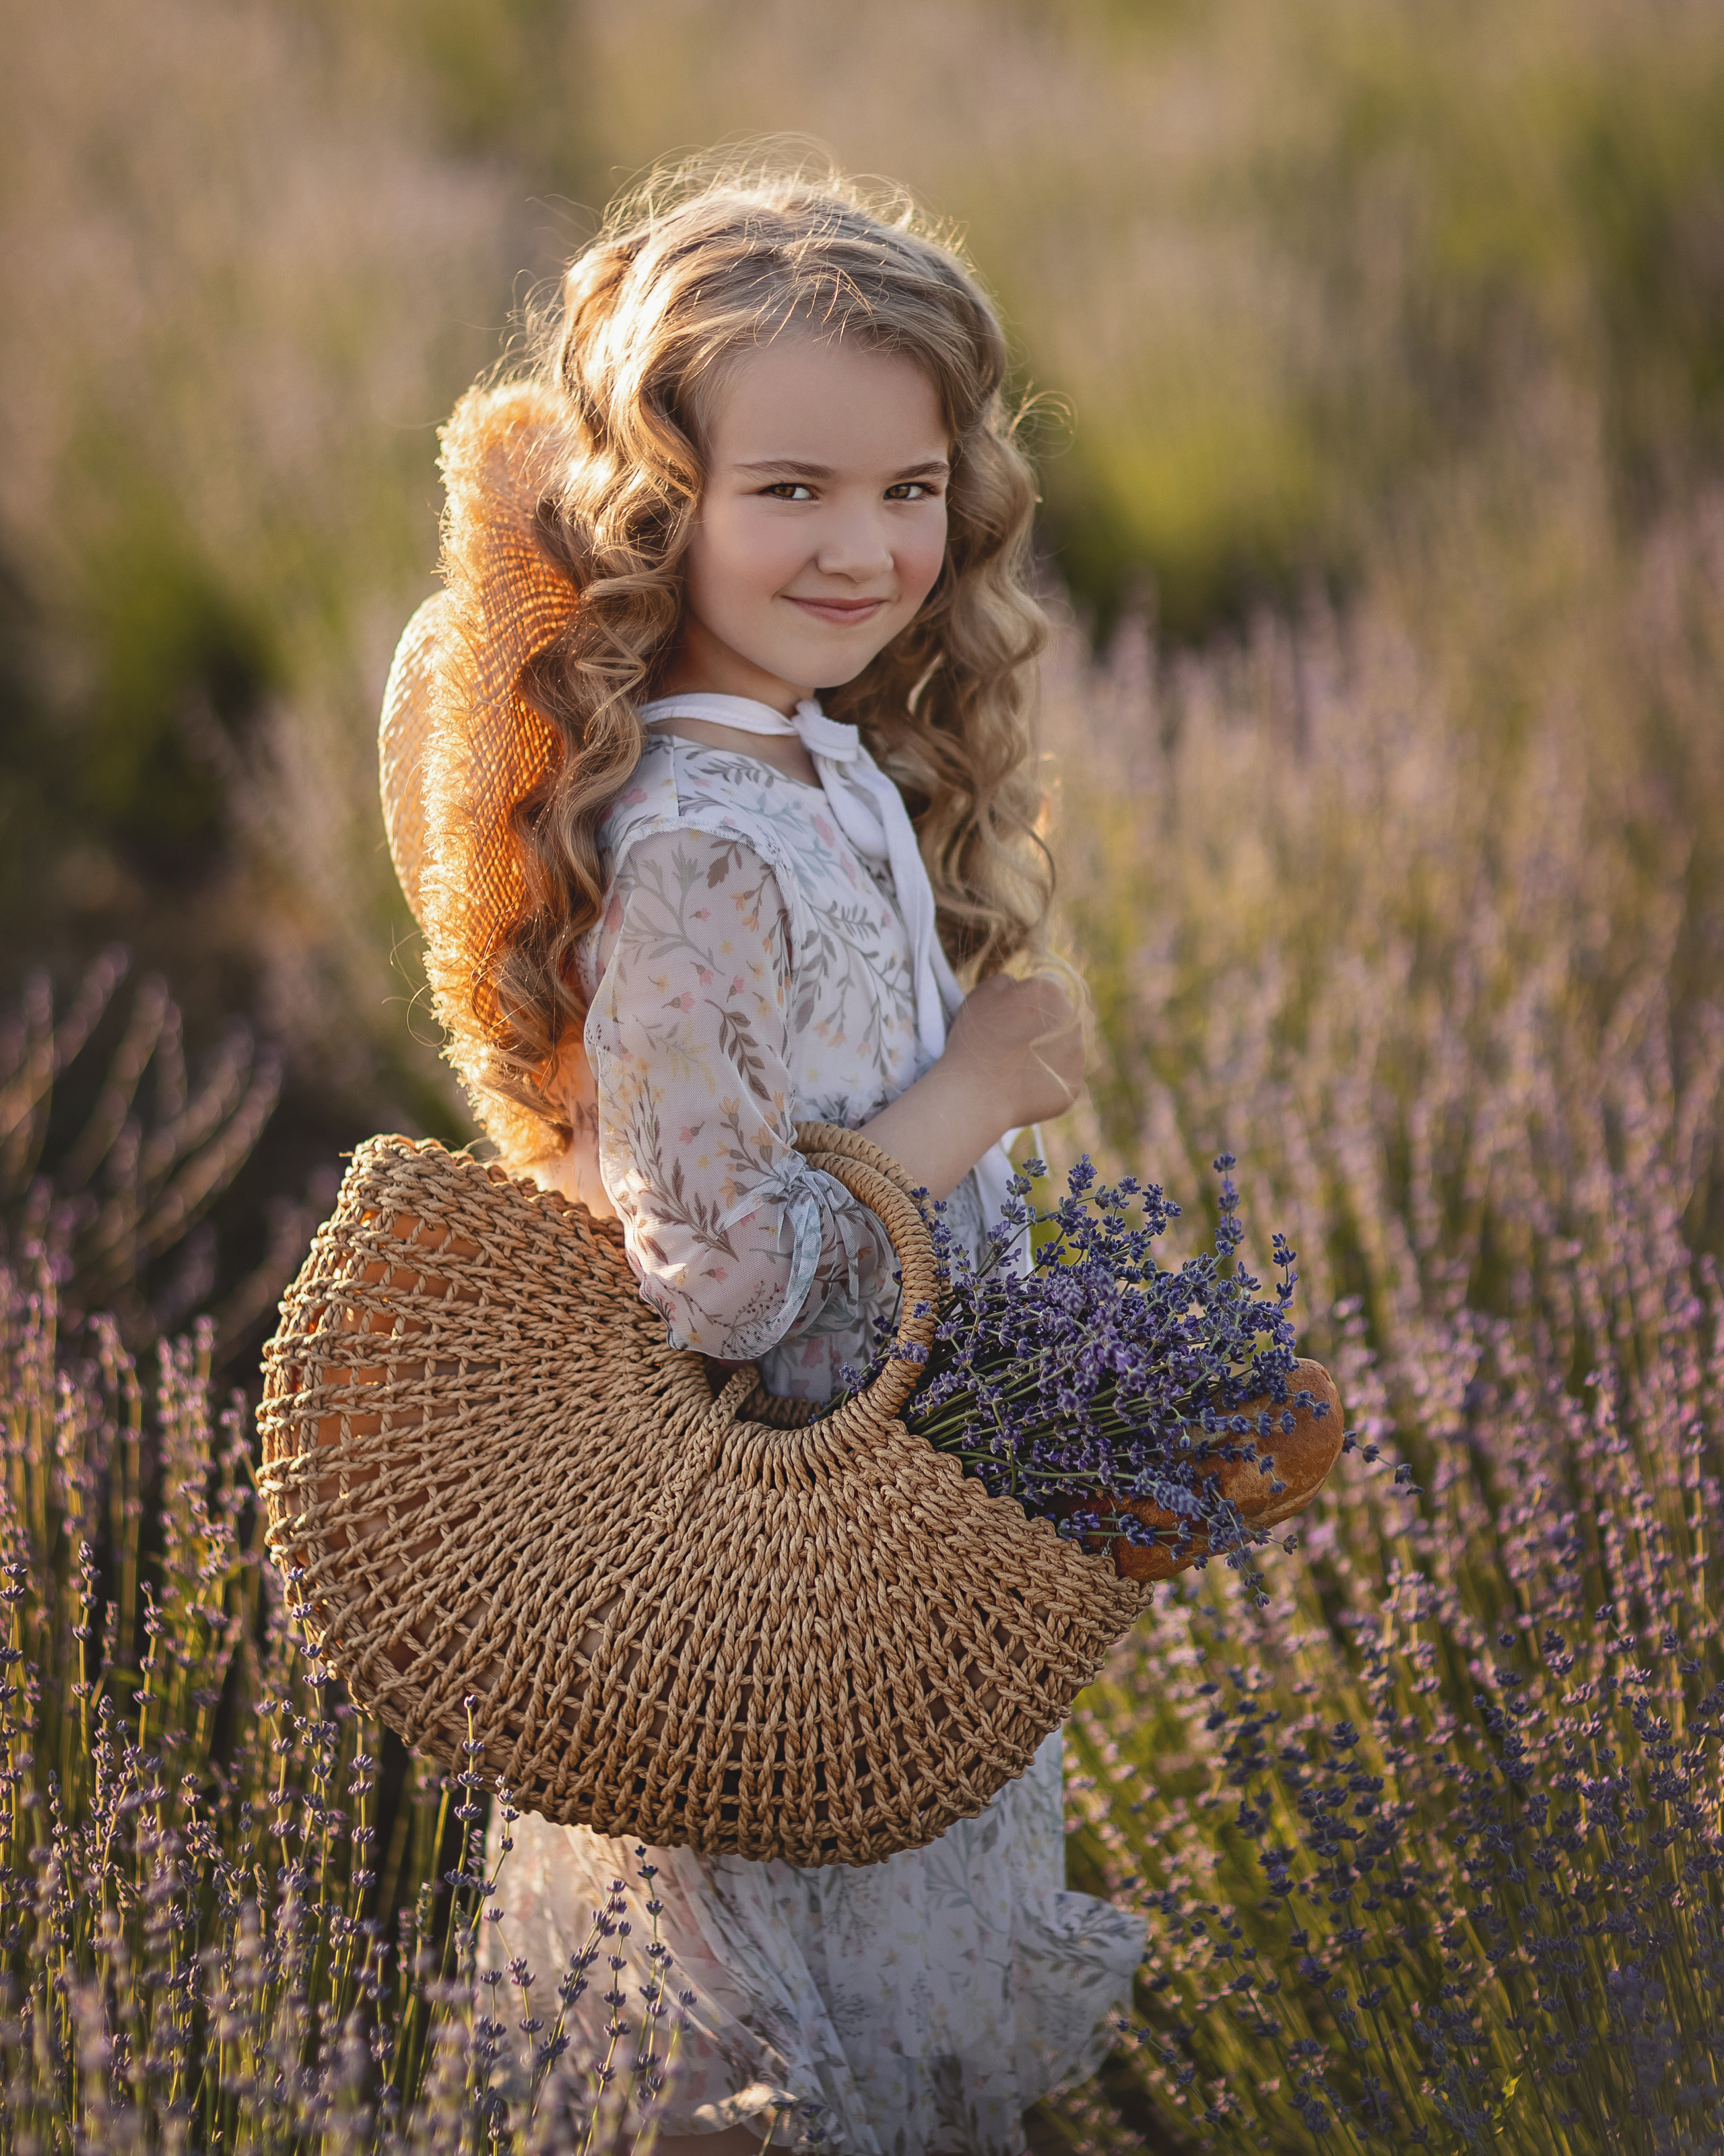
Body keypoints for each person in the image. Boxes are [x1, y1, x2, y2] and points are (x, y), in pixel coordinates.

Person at [383, 155, 1146, 2156]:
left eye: (908, 491)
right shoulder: (699, 842)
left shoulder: (824, 754)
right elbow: (718, 1266)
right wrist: (971, 1095)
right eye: (790, 491)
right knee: (779, 2084)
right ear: (661, 507)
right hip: (758, 1605)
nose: (865, 545)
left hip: (887, 1553)